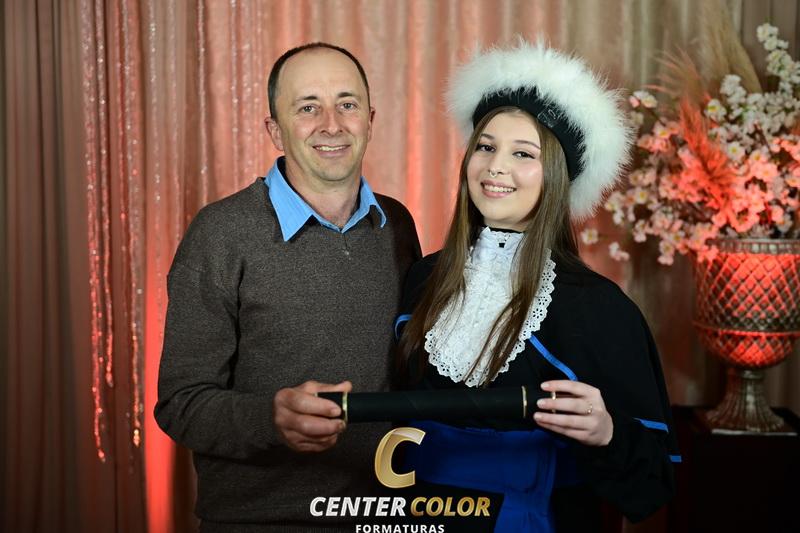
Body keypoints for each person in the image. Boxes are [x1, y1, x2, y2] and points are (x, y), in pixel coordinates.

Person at [394, 41, 679, 532]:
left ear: (557, 177)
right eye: (486, 146)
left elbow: (653, 485)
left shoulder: (599, 309)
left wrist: (607, 433)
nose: (495, 167)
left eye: (523, 153)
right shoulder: (423, 279)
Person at [155, 42, 421, 532]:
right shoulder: (221, 233)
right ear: (275, 131)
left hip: (384, 514)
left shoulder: (397, 225)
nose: (331, 125)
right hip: (261, 521)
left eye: (347, 104)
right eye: (308, 108)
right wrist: (270, 419)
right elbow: (181, 403)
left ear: (369, 121)